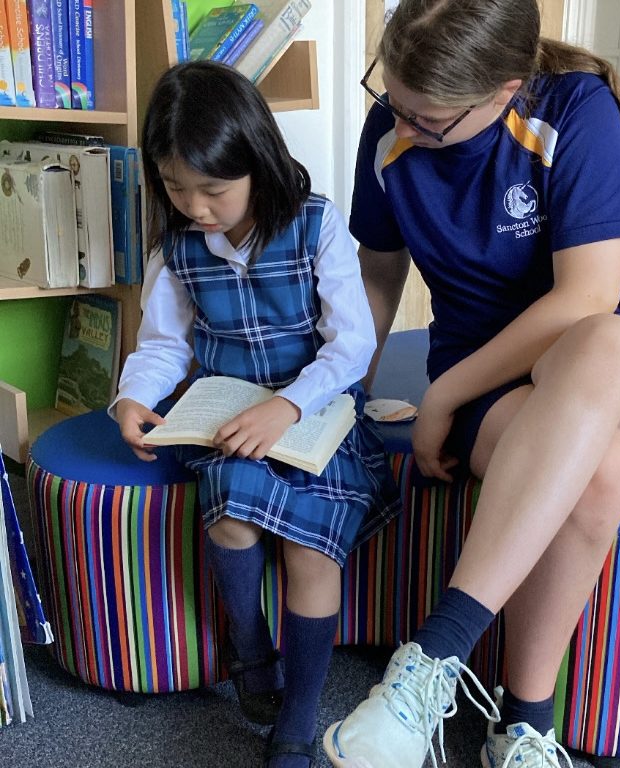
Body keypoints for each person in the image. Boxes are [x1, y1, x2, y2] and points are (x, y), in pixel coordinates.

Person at [322, 1, 620, 767]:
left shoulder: (575, 111)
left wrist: (442, 397)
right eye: (394, 102)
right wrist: (336, 391)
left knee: (600, 344)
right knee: (600, 471)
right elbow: (379, 279)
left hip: (605, 363)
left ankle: (432, 656)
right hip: (496, 385)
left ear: (505, 91)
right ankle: (524, 728)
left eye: (430, 119)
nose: (405, 126)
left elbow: (585, 297)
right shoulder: (391, 126)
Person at [111, 60, 399, 768]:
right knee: (232, 513)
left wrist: (289, 403)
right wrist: (131, 397)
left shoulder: (314, 223)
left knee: (310, 549)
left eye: (213, 190)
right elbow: (163, 344)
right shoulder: (177, 246)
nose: (196, 208)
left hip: (317, 410)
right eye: (177, 189)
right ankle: (249, 650)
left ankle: (296, 725)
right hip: (228, 415)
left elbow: (352, 342)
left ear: (257, 162)